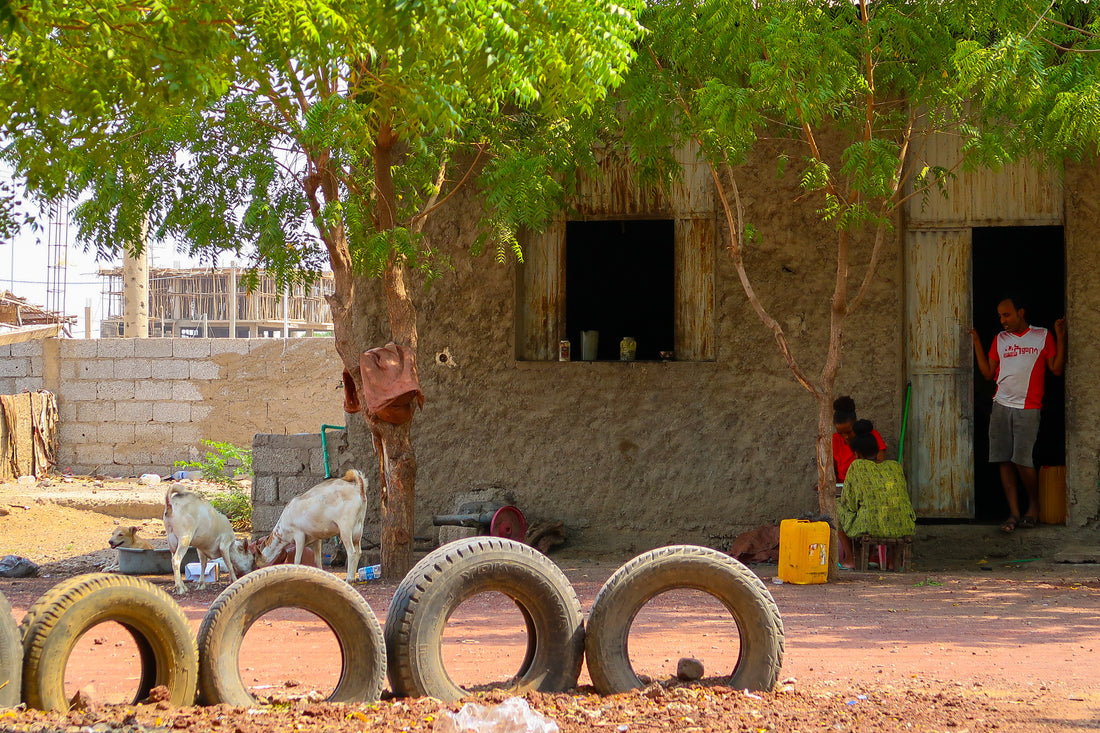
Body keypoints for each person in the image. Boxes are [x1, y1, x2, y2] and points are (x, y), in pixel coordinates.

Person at [970, 297, 1066, 533]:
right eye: (1000, 316)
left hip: (1029, 407)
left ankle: (1033, 506)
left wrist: (1061, 338)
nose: (1003, 321)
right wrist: (976, 342)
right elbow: (987, 372)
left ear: (1021, 312)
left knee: (1023, 461)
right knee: (1004, 460)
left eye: (1007, 315)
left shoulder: (1041, 335)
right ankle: (1013, 513)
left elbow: (1055, 368)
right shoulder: (1000, 339)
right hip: (1000, 405)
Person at [838, 420, 916, 569]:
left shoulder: (857, 466)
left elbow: (850, 503)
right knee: (893, 511)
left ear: (857, 453)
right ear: (876, 449)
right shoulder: (895, 466)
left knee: (836, 506)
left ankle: (850, 558)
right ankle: (893, 561)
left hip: (871, 525)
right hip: (904, 523)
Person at [832, 396, 886, 486]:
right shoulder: (835, 439)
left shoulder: (871, 436)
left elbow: (879, 464)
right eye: (840, 433)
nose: (845, 436)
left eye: (849, 432)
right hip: (843, 487)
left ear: (856, 422)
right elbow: (832, 470)